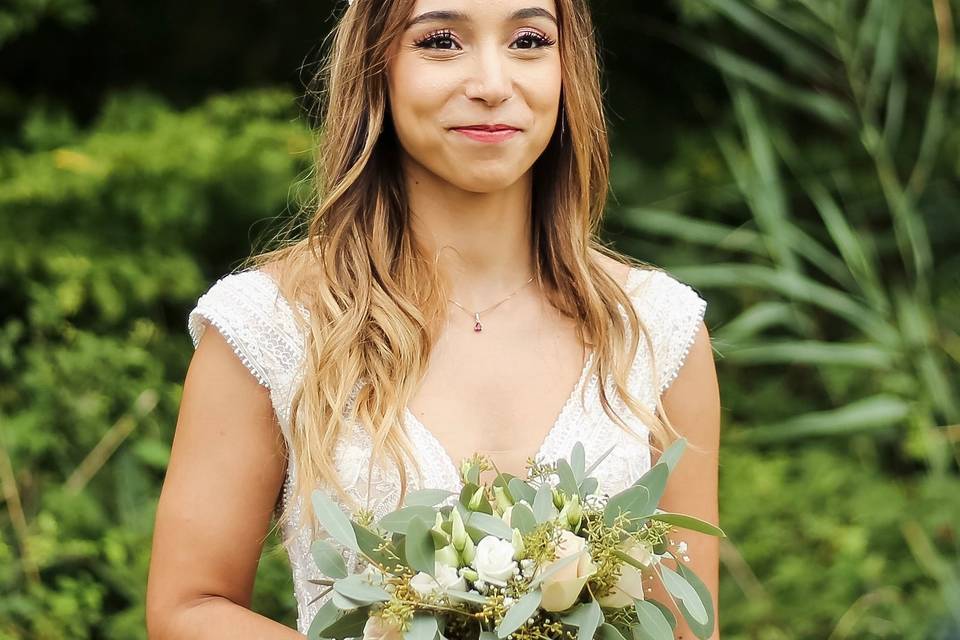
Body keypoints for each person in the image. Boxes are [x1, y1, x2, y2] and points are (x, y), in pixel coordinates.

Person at [145, 0, 721, 638]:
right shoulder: (275, 325)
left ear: (569, 67)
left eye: (529, 40)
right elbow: (187, 609)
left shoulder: (653, 328)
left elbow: (684, 625)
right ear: (376, 68)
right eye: (441, 41)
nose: (492, 84)